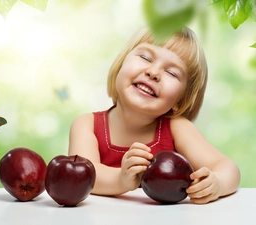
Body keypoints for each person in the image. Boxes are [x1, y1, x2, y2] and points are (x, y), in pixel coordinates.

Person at [68, 26, 240, 204]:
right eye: (145, 57)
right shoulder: (86, 124)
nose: (153, 73)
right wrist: (121, 179)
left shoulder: (177, 128)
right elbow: (81, 177)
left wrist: (217, 183)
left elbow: (228, 168)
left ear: (180, 100)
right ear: (121, 66)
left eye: (172, 73)